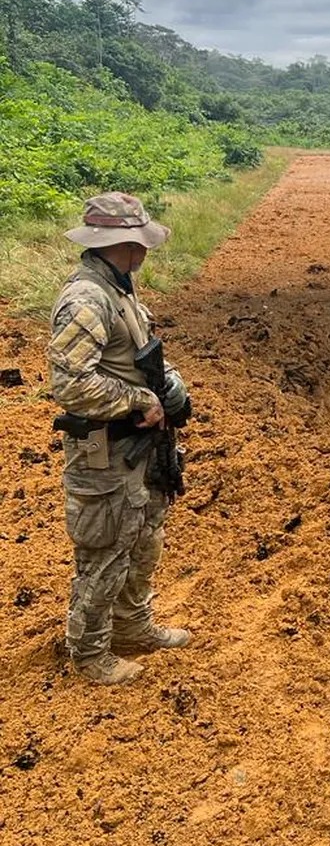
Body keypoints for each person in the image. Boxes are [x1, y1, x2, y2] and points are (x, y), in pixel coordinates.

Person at [47, 192, 193, 685]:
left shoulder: (120, 289)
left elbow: (138, 353)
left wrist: (168, 385)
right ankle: (90, 653)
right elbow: (69, 383)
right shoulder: (87, 299)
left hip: (139, 449)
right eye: (141, 243)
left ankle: (132, 626)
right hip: (105, 451)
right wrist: (137, 401)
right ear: (126, 244)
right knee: (105, 551)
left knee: (144, 538)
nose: (146, 252)